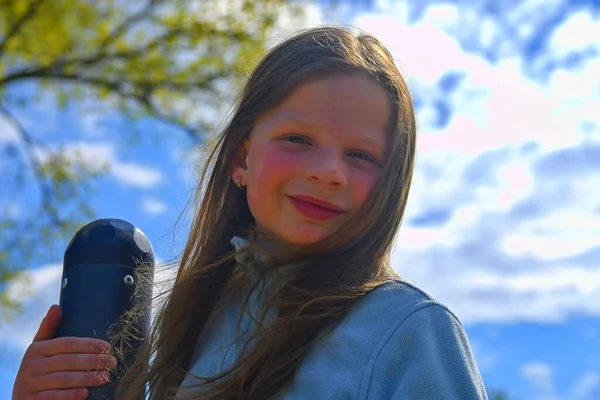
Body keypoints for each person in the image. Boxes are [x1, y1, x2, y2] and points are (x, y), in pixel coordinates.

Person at [13, 26, 488, 399]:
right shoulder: (192, 329)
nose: (328, 172)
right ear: (242, 160)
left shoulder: (410, 331)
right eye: (298, 140)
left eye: (360, 156)